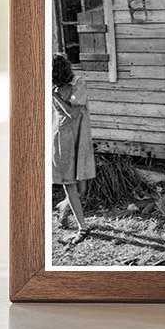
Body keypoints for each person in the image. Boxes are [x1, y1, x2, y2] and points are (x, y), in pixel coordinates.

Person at [51, 53, 97, 244]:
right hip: (61, 138)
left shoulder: (78, 83)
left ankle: (63, 209)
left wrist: (55, 95)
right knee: (69, 184)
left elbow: (73, 113)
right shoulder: (53, 86)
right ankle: (82, 228)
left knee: (82, 187)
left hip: (79, 137)